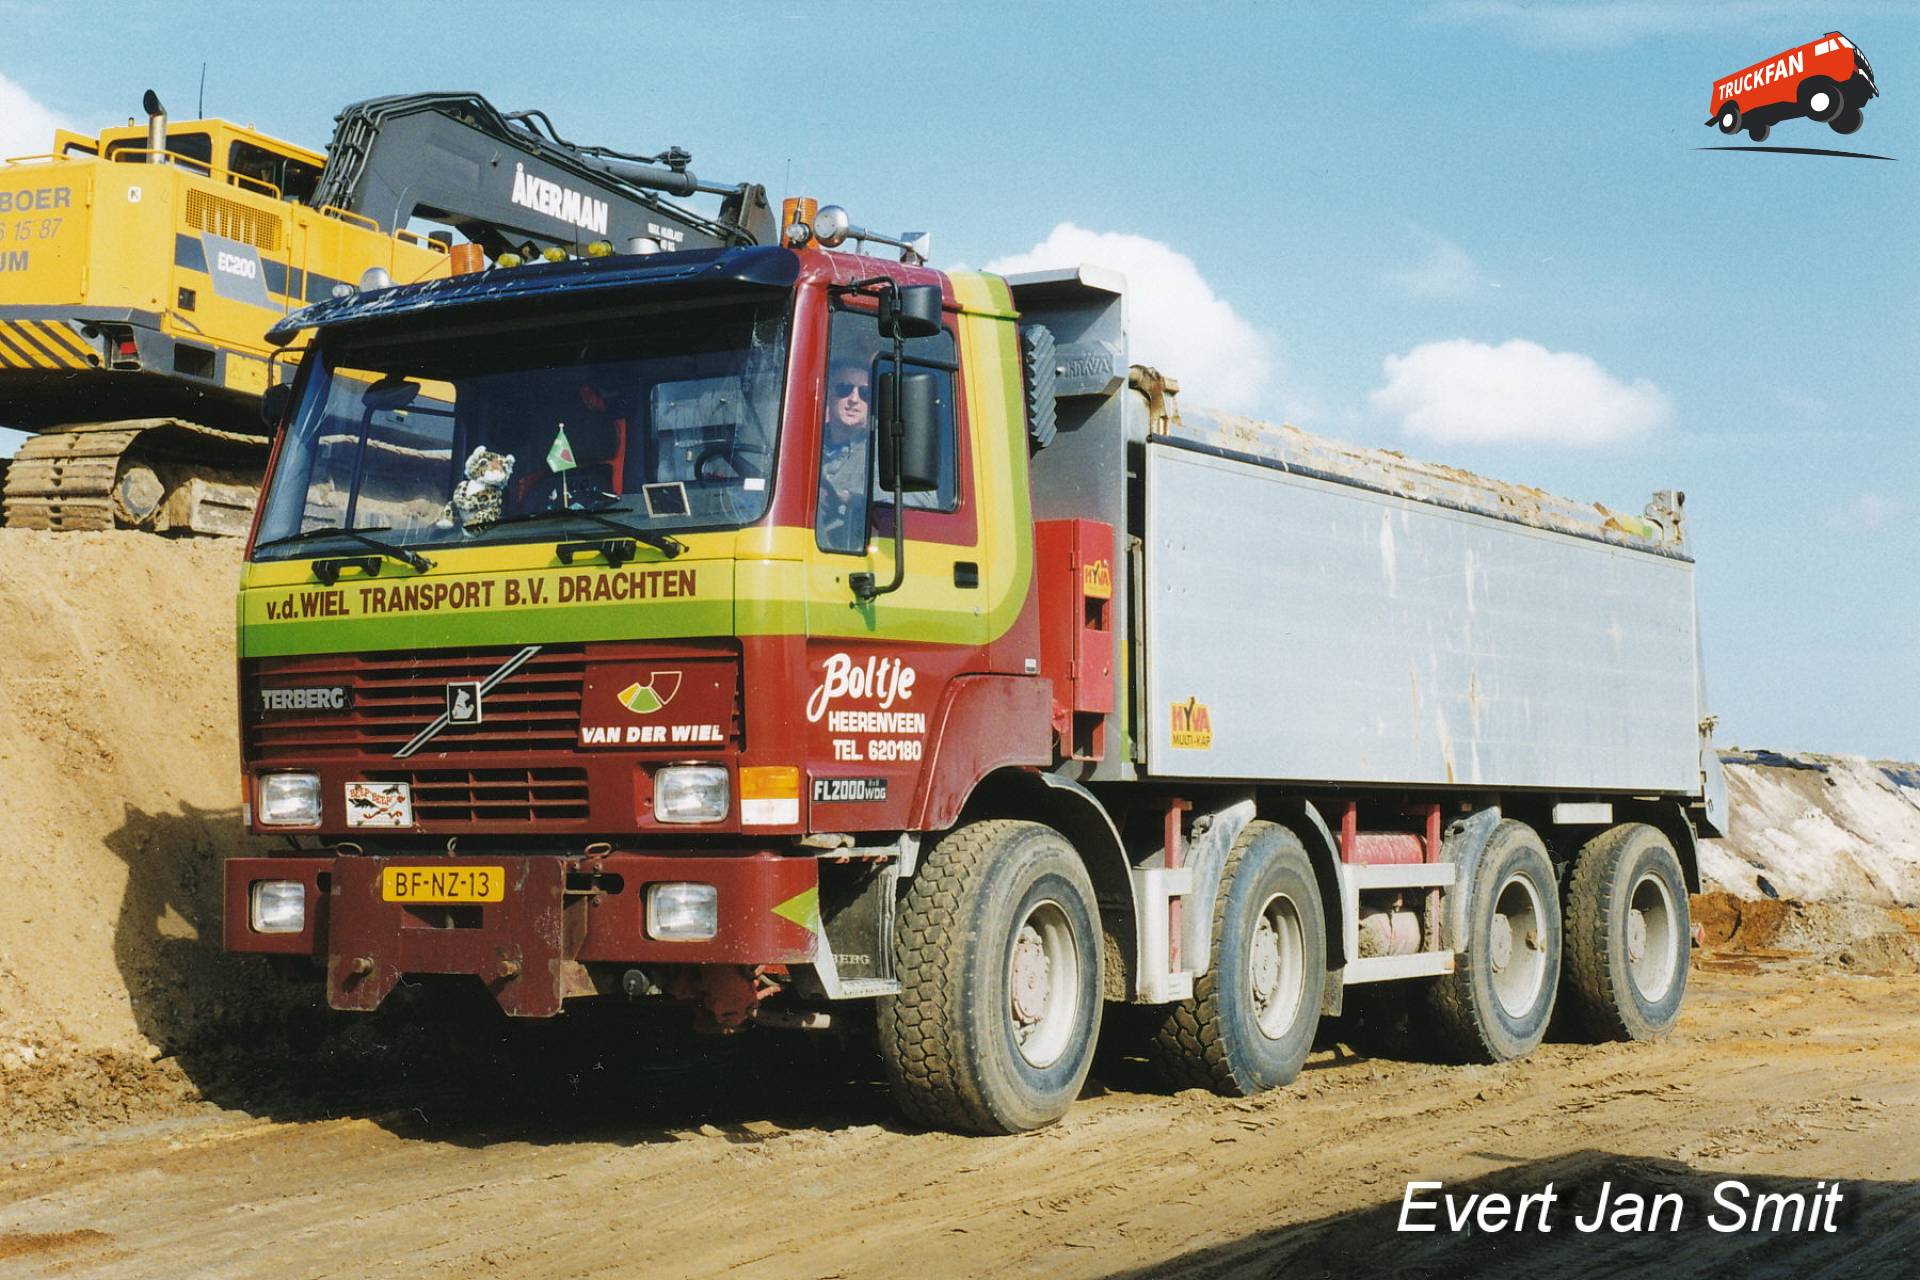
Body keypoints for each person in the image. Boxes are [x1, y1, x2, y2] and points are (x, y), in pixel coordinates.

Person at [816, 360, 873, 550]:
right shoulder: (805, 445)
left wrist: (851, 500)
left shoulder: (884, 450)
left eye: (864, 393)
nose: (854, 399)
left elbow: (921, 503)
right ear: (828, 395)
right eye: (844, 388)